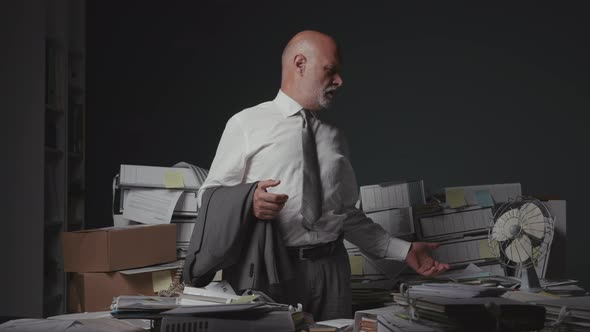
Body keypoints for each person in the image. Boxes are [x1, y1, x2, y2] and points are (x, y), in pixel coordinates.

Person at [198, 30, 449, 320]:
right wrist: (247, 203)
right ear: (300, 64)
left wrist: (404, 251)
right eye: (331, 70)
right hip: (267, 270)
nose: (340, 81)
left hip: (331, 273)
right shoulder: (245, 124)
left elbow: (345, 214)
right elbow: (207, 198)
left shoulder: (335, 137)